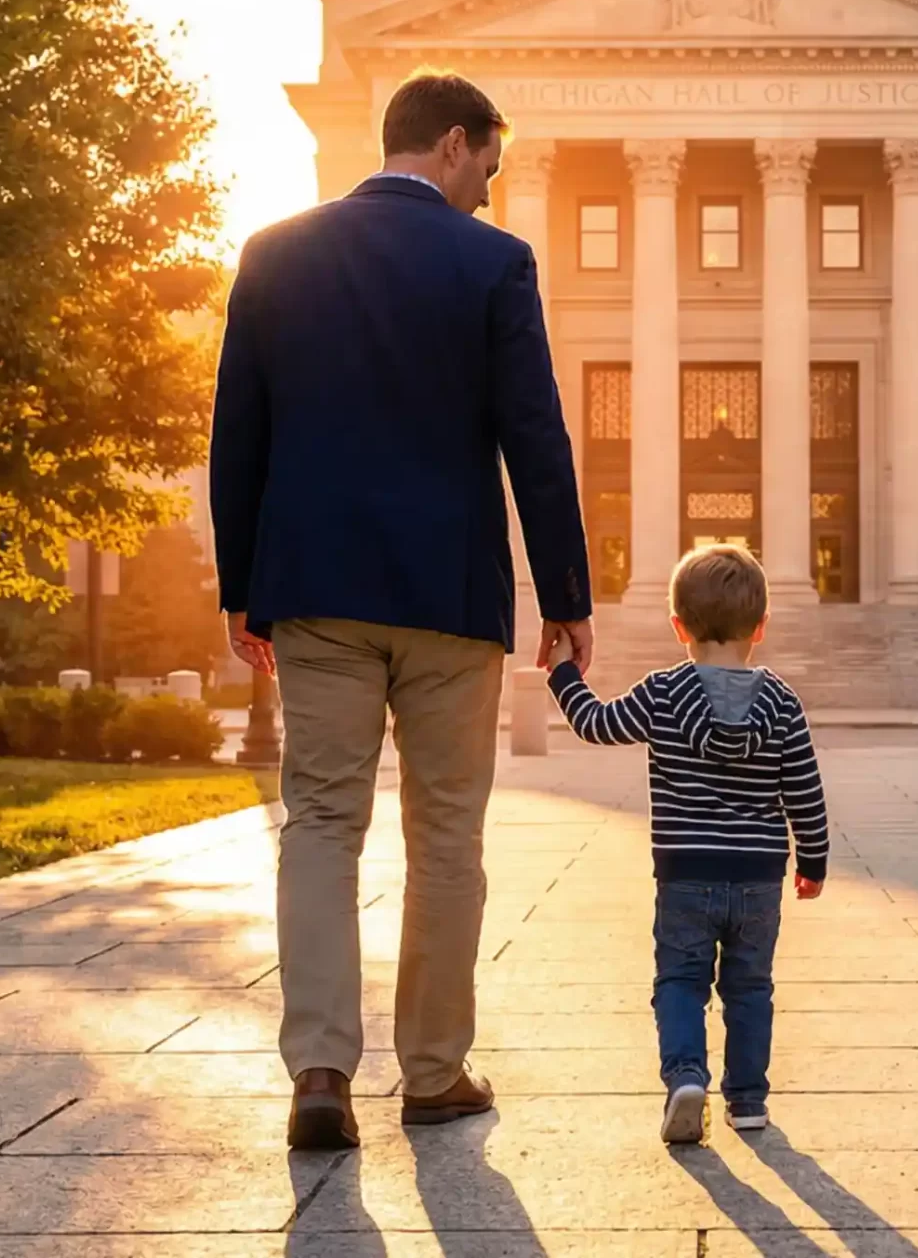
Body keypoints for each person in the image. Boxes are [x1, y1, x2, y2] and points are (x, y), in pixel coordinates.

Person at [209, 70, 594, 1152]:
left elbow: (237, 435)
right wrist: (565, 596)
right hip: (448, 597)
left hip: (317, 591)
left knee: (322, 824)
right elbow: (536, 435)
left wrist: (243, 587)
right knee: (445, 835)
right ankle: (432, 1072)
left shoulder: (273, 253)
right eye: (490, 166)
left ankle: (321, 1072)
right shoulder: (491, 263)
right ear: (454, 144)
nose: (491, 188)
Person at [545, 544, 829, 1145]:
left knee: (679, 981)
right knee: (750, 987)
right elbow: (805, 789)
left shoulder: (664, 693)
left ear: (678, 626)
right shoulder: (781, 702)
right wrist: (814, 861)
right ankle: (748, 1100)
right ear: (761, 627)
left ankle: (685, 1079)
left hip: (684, 876)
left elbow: (595, 724)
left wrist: (563, 673)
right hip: (757, 878)